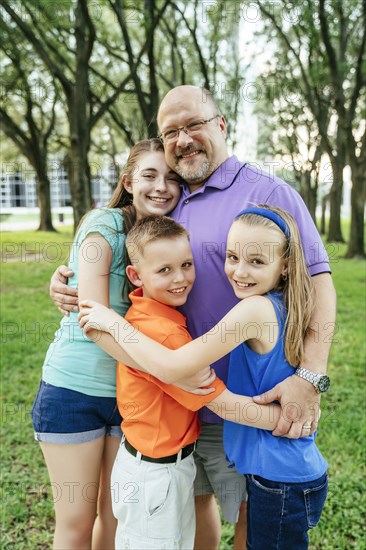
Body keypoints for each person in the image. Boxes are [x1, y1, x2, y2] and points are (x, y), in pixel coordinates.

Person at [50, 85, 336, 549]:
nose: (182, 139)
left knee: (250, 512)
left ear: (221, 125)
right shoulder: (169, 197)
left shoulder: (266, 190)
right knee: (191, 504)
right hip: (175, 403)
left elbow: (319, 280)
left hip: (242, 396)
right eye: (170, 132)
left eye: (193, 125)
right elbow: (120, 256)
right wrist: (69, 281)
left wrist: (311, 375)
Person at [78, 205, 328, 549]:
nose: (239, 271)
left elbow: (174, 365)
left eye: (256, 261)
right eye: (232, 256)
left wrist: (112, 321)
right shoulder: (285, 303)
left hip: (279, 474)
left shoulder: (253, 309)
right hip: (289, 470)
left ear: (284, 266)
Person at [30, 139, 203, 550]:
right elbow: (92, 319)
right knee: (76, 522)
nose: (162, 186)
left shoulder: (163, 236)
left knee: (113, 519)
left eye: (172, 178)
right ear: (128, 182)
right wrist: (168, 368)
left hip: (128, 398)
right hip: (74, 392)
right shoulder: (103, 224)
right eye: (149, 175)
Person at [108, 214, 284, 549]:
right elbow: (222, 403)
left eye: (186, 265)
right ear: (135, 275)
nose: (180, 278)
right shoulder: (163, 333)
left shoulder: (151, 313)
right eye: (164, 270)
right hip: (155, 476)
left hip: (166, 466)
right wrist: (286, 420)